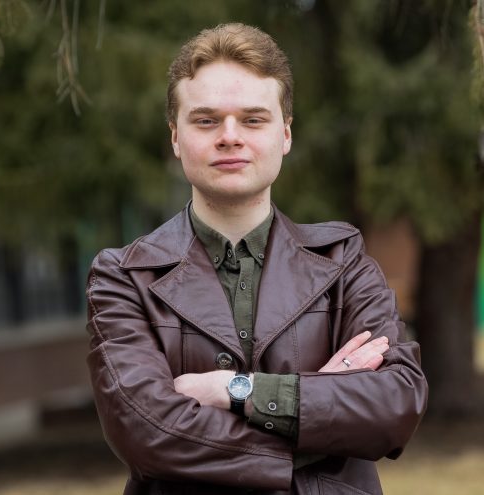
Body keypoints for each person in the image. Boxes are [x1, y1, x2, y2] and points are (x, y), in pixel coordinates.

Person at [86, 23, 428, 495]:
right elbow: (146, 433)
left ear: (285, 134)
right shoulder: (123, 277)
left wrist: (234, 390)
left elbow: (395, 403)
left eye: (253, 120)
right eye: (206, 121)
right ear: (175, 138)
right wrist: (316, 413)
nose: (230, 137)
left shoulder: (343, 262)